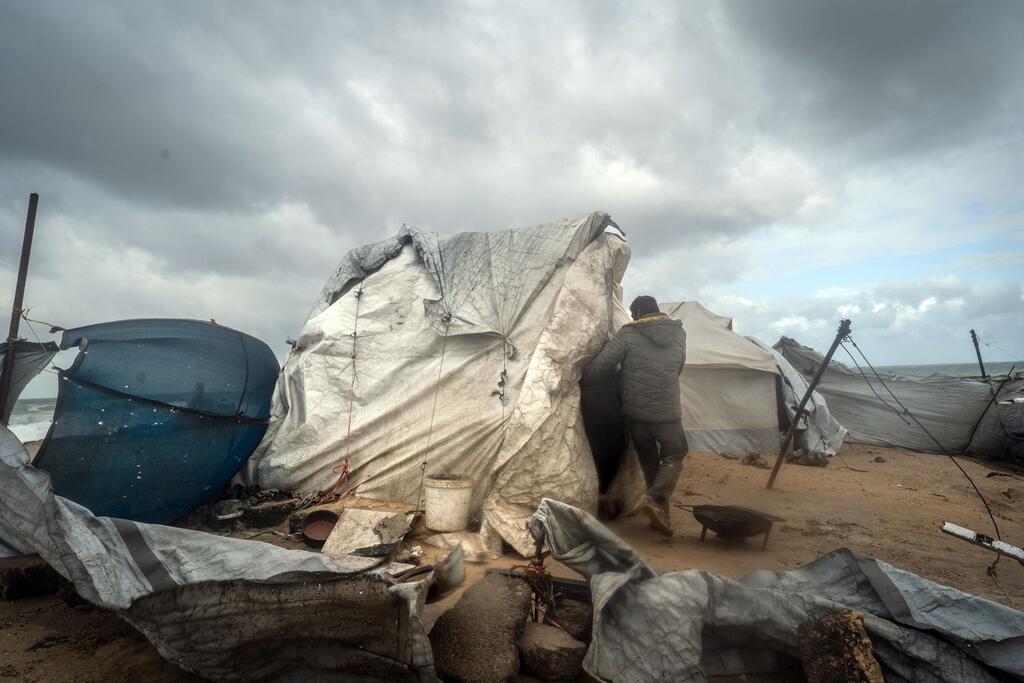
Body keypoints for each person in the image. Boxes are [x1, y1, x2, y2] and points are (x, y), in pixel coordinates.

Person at [584, 295, 687, 536]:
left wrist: (584, 380)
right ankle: (656, 499)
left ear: (638, 312)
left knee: (649, 460)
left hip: (636, 414)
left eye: (632, 314)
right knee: (674, 455)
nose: (632, 318)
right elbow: (679, 366)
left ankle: (657, 507)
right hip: (668, 412)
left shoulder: (628, 334)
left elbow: (600, 367)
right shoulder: (679, 334)